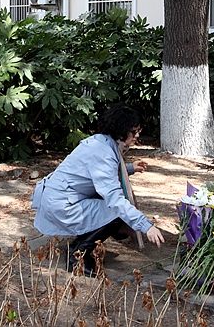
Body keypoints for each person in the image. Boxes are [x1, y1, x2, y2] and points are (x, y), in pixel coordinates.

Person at [31, 103, 165, 277]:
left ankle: (95, 239)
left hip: (59, 197)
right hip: (62, 204)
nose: (137, 136)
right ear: (121, 131)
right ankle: (78, 254)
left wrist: (130, 168)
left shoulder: (100, 142)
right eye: (134, 131)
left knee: (116, 208)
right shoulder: (104, 153)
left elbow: (97, 173)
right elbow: (114, 198)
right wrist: (147, 226)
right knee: (116, 210)